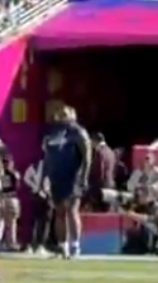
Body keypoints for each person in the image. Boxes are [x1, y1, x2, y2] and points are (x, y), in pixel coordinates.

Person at [43, 106, 90, 259]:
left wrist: (83, 177)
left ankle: (75, 246)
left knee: (71, 210)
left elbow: (87, 157)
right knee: (59, 212)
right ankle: (63, 247)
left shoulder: (78, 132)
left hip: (73, 177)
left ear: (73, 116)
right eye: (60, 114)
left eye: (65, 114)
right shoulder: (53, 133)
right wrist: (45, 177)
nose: (61, 116)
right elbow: (47, 156)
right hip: (57, 178)